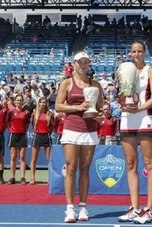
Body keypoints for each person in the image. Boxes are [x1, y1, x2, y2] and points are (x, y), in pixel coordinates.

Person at [55, 51, 103, 223]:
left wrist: (99, 114)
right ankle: (69, 208)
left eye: (85, 62)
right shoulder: (66, 83)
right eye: (80, 62)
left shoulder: (96, 84)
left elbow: (99, 107)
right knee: (70, 167)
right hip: (71, 128)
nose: (83, 65)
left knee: (84, 168)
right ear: (74, 64)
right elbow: (59, 106)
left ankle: (83, 206)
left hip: (89, 129)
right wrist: (78, 108)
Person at [118, 41, 152, 224]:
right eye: (133, 51)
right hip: (127, 118)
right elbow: (121, 95)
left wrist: (139, 108)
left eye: (140, 51)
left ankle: (150, 210)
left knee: (150, 164)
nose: (136, 54)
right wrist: (123, 103)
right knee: (130, 163)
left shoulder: (150, 70)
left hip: (144, 118)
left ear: (145, 52)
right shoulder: (123, 70)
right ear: (130, 53)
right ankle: (135, 208)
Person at [7, 94, 31, 185]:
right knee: (13, 157)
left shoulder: (26, 112)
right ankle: (12, 177)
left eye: (20, 100)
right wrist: (11, 130)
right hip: (13, 135)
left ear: (23, 101)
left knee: (22, 158)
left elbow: (27, 123)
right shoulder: (11, 112)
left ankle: (22, 177)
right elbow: (7, 122)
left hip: (22, 136)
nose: (19, 102)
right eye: (17, 100)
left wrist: (23, 130)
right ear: (15, 101)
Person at [30, 97, 54, 185]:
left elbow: (52, 126)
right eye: (41, 102)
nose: (43, 104)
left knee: (49, 159)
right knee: (34, 159)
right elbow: (33, 124)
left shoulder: (50, 114)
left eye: (44, 102)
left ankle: (50, 179)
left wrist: (47, 131)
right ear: (38, 103)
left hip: (47, 136)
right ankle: (32, 178)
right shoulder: (34, 114)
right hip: (37, 136)